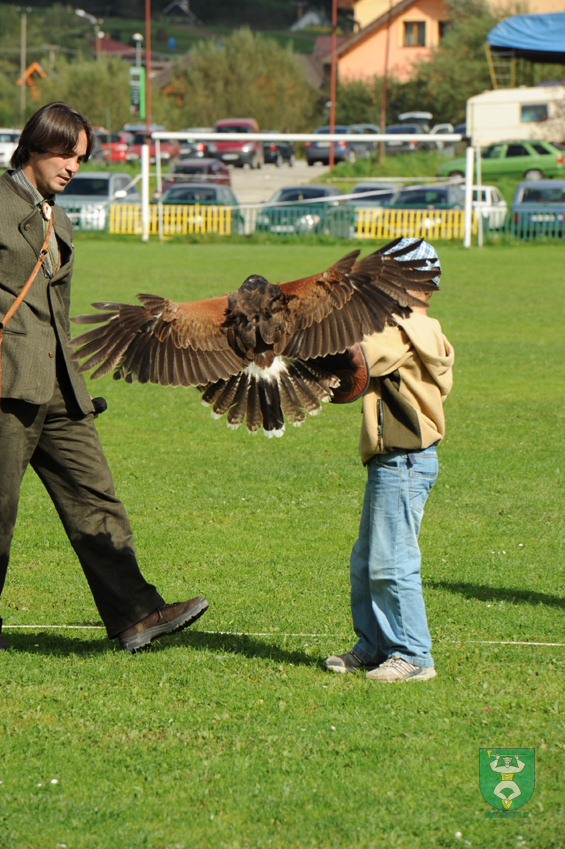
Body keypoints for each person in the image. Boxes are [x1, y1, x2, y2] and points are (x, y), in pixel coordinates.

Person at [0, 101, 208, 653]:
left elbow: (56, 310)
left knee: (96, 498)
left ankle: (136, 615)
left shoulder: (59, 218)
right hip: (5, 385)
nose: (73, 166)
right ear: (36, 146)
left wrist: (74, 379)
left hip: (61, 386)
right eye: (66, 154)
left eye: (81, 158)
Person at [325, 238, 454, 682]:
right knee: (367, 560)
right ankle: (375, 645)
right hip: (394, 461)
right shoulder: (412, 325)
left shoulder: (400, 330)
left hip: (405, 460)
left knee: (392, 561)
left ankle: (414, 655)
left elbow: (352, 357)